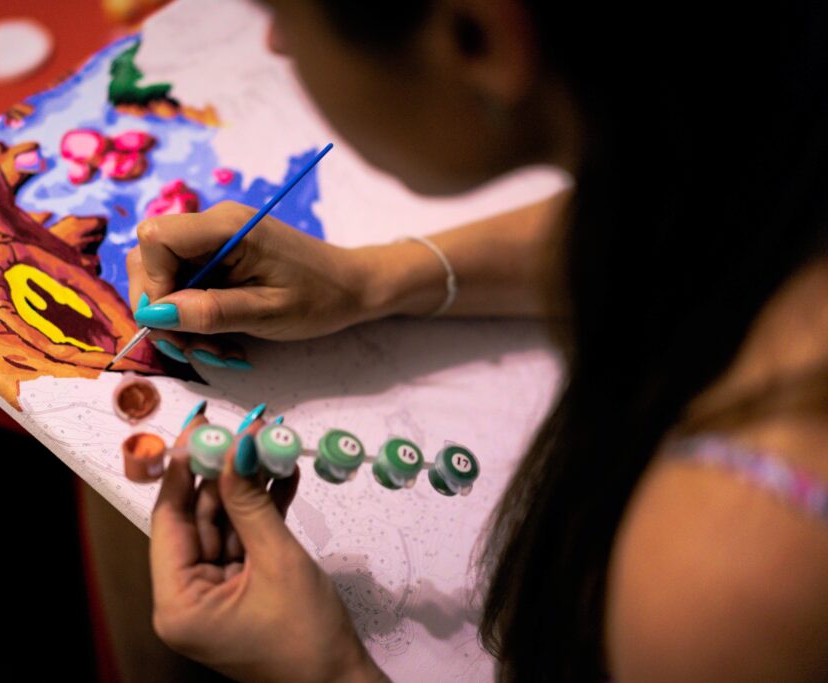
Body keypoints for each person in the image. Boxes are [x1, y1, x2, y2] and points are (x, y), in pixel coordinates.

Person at [109, 0, 828, 680]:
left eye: (281, 13)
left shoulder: (731, 574)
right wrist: (370, 280)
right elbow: (670, 216)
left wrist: (329, 670)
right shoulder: (762, 140)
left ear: (478, 37)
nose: (276, 44)